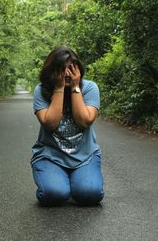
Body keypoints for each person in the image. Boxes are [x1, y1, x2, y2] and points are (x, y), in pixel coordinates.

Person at [31, 46, 104, 207]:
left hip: (85, 157)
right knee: (54, 194)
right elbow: (50, 124)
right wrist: (59, 88)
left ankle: (75, 180)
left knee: (90, 194)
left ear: (78, 69)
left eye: (71, 69)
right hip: (50, 157)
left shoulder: (90, 88)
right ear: (52, 71)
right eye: (62, 70)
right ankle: (56, 180)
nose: (66, 74)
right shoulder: (41, 90)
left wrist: (75, 87)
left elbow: (84, 121)